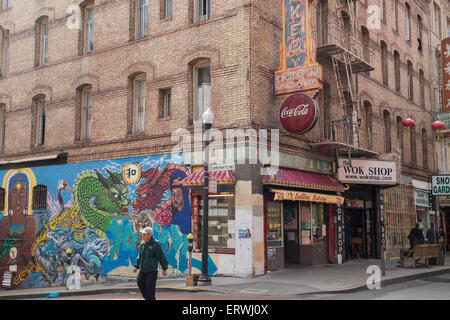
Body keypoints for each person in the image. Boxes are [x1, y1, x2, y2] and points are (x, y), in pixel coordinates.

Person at [133, 227, 169, 300]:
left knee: (150, 288)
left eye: (144, 234)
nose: (142, 236)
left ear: (149, 235)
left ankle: (150, 298)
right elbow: (140, 256)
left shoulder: (156, 244)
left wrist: (164, 269)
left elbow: (161, 256)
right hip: (143, 269)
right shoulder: (142, 244)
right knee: (139, 282)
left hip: (152, 270)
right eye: (142, 234)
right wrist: (136, 266)